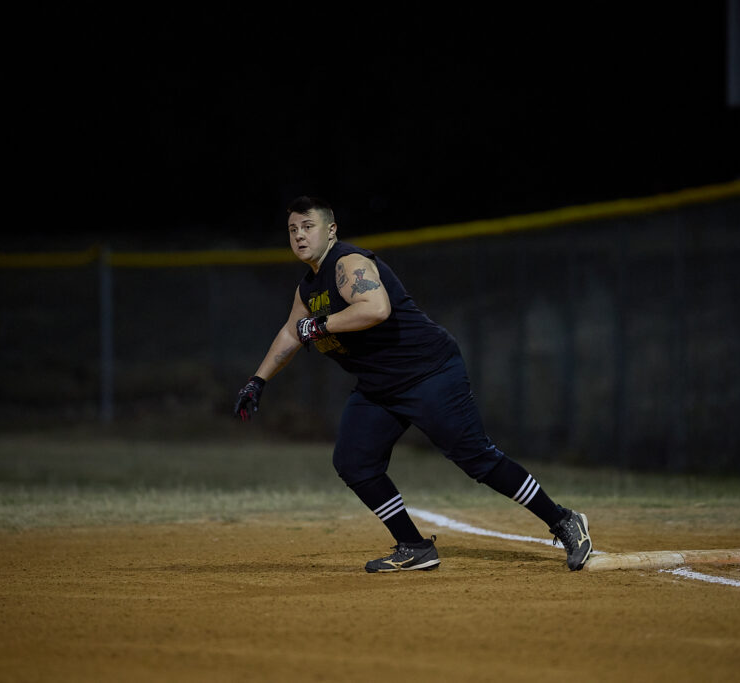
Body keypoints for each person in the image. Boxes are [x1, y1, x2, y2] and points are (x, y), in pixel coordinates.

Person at [234, 196, 592, 573]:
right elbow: (291, 333)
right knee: (354, 462)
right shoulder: (308, 287)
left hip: (428, 373)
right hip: (380, 387)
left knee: (477, 459)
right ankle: (414, 546)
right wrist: (257, 381)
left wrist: (320, 325)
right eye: (293, 229)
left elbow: (375, 308)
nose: (299, 236)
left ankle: (564, 520)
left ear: (331, 230)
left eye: (308, 226)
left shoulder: (348, 263)